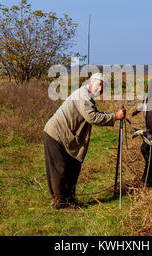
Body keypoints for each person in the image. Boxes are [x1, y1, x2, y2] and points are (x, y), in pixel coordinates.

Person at [43, 73, 126, 209]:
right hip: (56, 134)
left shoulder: (87, 96)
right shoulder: (83, 95)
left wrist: (113, 116)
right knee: (60, 169)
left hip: (65, 136)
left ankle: (69, 199)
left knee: (72, 166)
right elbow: (92, 117)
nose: (100, 89)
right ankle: (61, 203)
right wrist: (115, 117)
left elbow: (94, 113)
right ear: (90, 83)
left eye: (103, 87)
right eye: (98, 85)